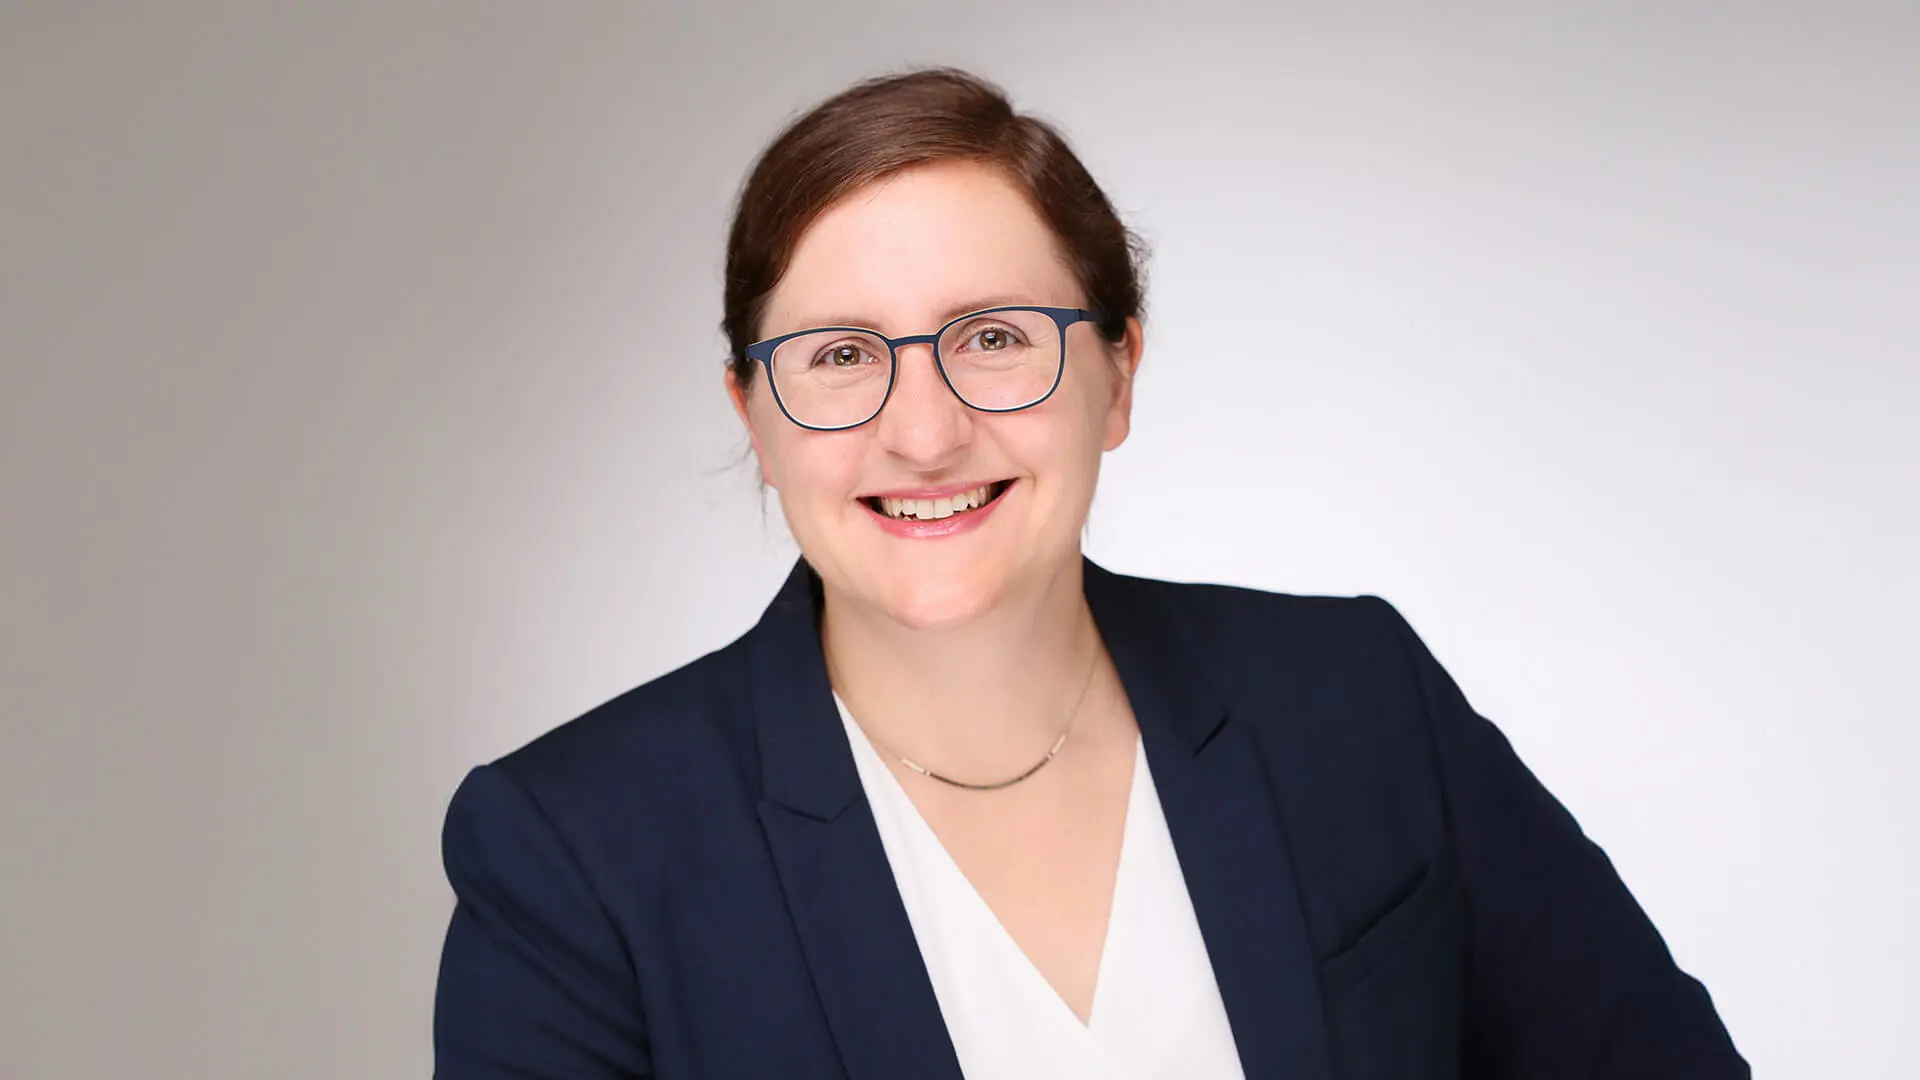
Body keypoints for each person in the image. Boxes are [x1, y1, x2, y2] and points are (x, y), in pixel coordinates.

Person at [432, 68, 1747, 1079]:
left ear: (1117, 376)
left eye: (994, 337)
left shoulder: (1355, 700)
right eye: (838, 355)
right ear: (754, 416)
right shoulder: (576, 852)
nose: (925, 432)